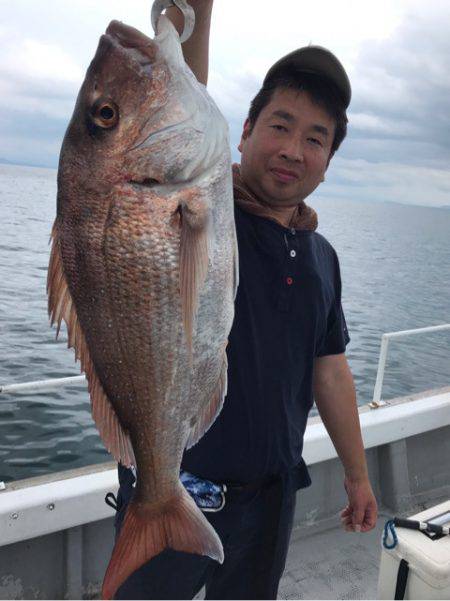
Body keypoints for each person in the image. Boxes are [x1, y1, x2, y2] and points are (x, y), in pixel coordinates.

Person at [113, 1, 378, 598]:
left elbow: (329, 371)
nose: (292, 149)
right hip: (177, 486)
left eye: (316, 138)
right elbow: (183, 104)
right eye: (279, 126)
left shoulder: (321, 257)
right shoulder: (199, 212)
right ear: (244, 131)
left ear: (329, 162)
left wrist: (358, 477)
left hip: (272, 498)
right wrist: (197, 12)